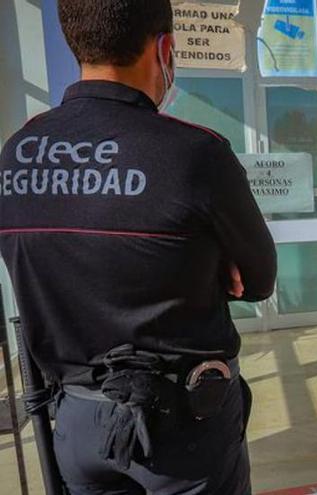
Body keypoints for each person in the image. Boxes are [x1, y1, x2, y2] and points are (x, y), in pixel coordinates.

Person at [0, 1, 276, 493]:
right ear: (164, 48)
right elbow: (258, 280)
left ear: (76, 42)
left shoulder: (18, 153)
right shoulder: (195, 154)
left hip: (78, 422)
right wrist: (204, 262)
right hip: (183, 429)